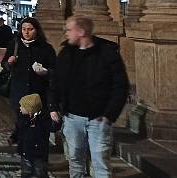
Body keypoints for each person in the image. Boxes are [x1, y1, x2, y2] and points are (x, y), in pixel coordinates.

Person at [50, 15, 129, 178]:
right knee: (75, 160)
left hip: (98, 119)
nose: (65, 33)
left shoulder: (107, 53)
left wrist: (109, 114)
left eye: (69, 30)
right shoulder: (66, 54)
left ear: (81, 31)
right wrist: (53, 106)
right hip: (72, 118)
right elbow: (55, 82)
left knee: (101, 163)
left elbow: (120, 85)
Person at [1, 17, 56, 113]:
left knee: (36, 124)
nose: (26, 32)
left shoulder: (46, 48)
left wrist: (46, 72)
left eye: (30, 29)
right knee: (20, 123)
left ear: (37, 30)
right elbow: (4, 63)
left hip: (38, 94)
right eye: (24, 29)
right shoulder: (14, 44)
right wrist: (9, 63)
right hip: (18, 92)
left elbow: (54, 69)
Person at [9, 94, 60, 178]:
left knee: (40, 172)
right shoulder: (22, 118)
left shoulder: (43, 119)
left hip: (39, 153)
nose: (20, 108)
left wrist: (56, 121)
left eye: (22, 106)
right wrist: (13, 138)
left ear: (30, 109)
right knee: (26, 172)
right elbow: (18, 130)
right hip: (25, 151)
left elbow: (52, 127)